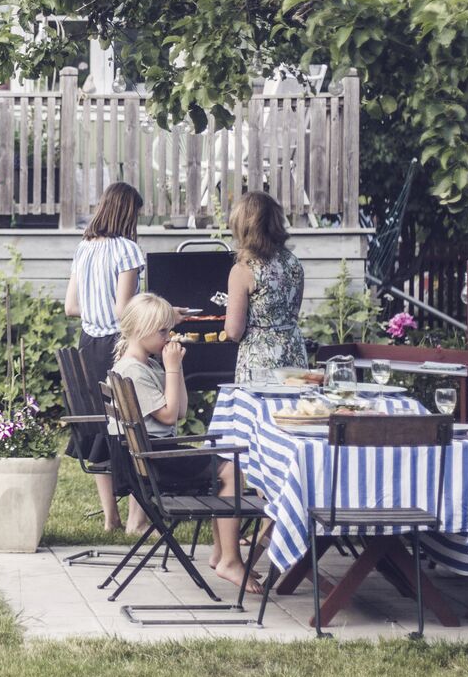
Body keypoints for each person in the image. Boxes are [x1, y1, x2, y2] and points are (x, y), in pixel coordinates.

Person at [63, 182, 192, 530]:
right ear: (129, 213)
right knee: (131, 430)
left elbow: (71, 306)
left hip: (88, 343)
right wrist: (164, 317)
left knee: (102, 431)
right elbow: (124, 310)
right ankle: (139, 516)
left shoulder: (84, 247)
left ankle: (111, 518)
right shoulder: (127, 250)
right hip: (116, 345)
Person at [111, 293, 259, 592]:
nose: (169, 336)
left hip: (154, 452)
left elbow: (178, 412)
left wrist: (172, 370)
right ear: (140, 330)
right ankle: (230, 558)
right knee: (231, 471)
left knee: (224, 468)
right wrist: (173, 368)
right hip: (154, 458)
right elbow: (168, 417)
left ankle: (222, 553)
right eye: (162, 331)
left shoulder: (145, 365)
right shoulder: (134, 371)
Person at [223, 191, 308, 378]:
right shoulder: (293, 263)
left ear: (242, 226)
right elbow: (292, 311)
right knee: (293, 407)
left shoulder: (243, 270)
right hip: (294, 353)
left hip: (261, 361)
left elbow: (234, 331)